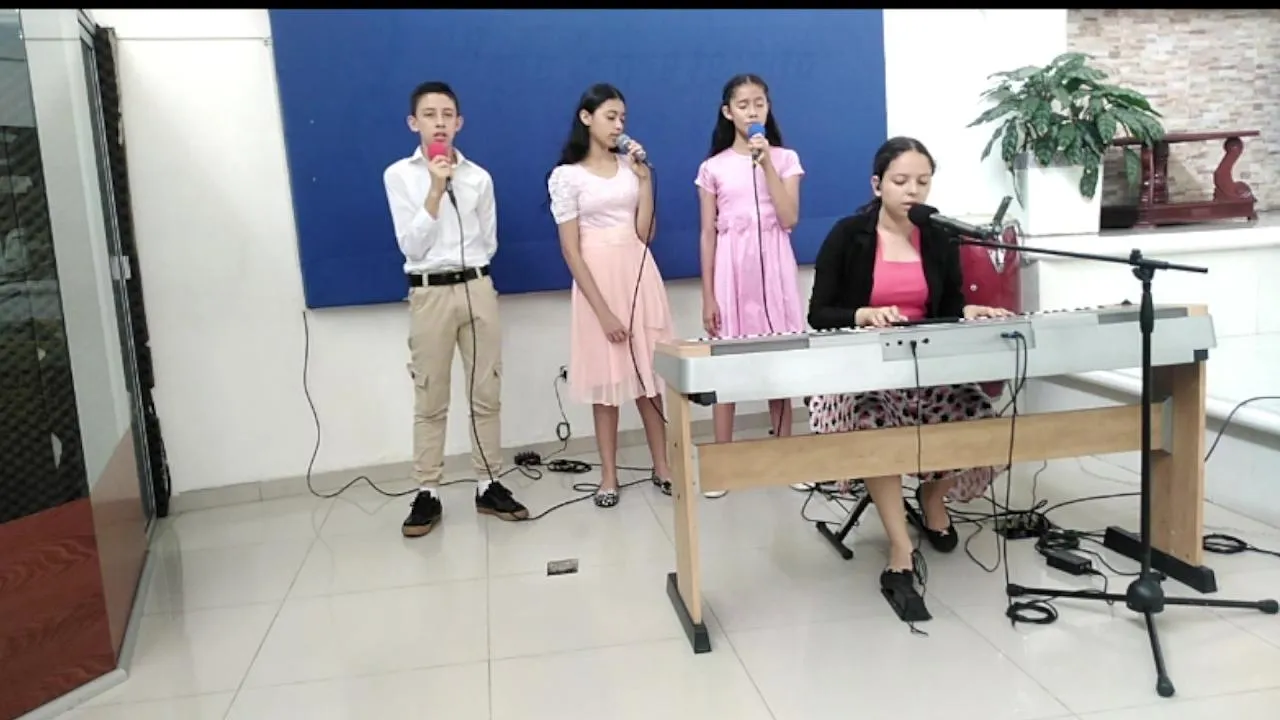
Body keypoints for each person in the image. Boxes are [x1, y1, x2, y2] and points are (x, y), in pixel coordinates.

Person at [806, 136, 1013, 617]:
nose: (912, 191)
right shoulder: (848, 235)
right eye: (900, 181)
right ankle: (900, 545)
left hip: (926, 366)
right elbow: (819, 313)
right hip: (861, 371)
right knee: (875, 421)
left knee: (979, 414)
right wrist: (862, 314)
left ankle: (932, 497)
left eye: (922, 181)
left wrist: (969, 310)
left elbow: (949, 305)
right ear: (877, 184)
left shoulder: (937, 236)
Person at [382, 80, 528, 537]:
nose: (439, 122)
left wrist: (473, 275)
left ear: (459, 122)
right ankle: (427, 490)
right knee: (431, 396)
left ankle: (489, 483)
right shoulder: (399, 176)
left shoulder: (479, 178)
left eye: (447, 114)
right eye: (430, 115)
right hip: (429, 292)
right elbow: (411, 244)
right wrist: (435, 188)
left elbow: (489, 240)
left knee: (486, 391)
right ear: (414, 123)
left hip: (476, 287)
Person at [547, 83, 676, 508]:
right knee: (606, 384)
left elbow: (646, 233)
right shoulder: (567, 176)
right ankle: (608, 476)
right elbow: (571, 250)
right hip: (597, 281)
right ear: (586, 118)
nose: (619, 125)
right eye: (610, 116)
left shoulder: (630, 168)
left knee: (649, 380)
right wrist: (602, 312)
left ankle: (663, 466)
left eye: (623, 118)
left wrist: (644, 182)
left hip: (638, 272)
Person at [696, 73, 807, 496]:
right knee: (728, 368)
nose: (752, 111)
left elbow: (789, 217)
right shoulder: (713, 168)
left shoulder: (785, 159)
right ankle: (723, 465)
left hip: (775, 269)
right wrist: (708, 295)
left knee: (780, 367)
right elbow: (707, 233)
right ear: (728, 112)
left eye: (759, 103)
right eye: (743, 104)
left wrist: (766, 164)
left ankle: (787, 458)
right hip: (732, 272)